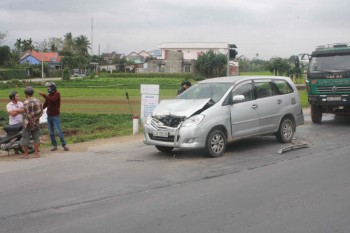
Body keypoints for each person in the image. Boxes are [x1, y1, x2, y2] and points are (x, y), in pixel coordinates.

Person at [38, 81, 69, 151]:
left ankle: (64, 144)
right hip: (49, 116)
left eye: (49, 87)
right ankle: (54, 145)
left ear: (53, 87)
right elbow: (46, 104)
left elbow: (51, 100)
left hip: (55, 116)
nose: (48, 89)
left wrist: (43, 95)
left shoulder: (57, 94)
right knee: (51, 132)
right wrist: (40, 110)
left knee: (58, 131)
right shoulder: (49, 95)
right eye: (47, 87)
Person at [21, 86, 43, 159]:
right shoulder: (38, 101)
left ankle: (26, 154)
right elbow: (41, 112)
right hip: (36, 122)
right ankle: (36, 153)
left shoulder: (25, 102)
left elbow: (26, 114)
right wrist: (35, 119)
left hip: (28, 123)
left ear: (26, 94)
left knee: (25, 138)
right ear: (33, 93)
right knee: (36, 138)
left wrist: (30, 120)